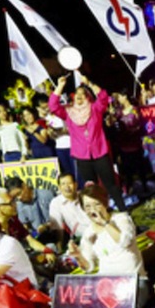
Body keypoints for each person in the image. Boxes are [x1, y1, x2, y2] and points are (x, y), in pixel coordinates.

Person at [49, 74, 127, 212]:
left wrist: (89, 83)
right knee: (91, 188)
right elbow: (53, 106)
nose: (79, 97)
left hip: (99, 153)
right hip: (82, 156)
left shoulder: (95, 109)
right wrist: (60, 86)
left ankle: (123, 211)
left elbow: (103, 96)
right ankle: (100, 213)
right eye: (77, 94)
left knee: (111, 185)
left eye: (83, 94)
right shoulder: (68, 112)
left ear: (88, 97)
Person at [68, 183, 149, 306]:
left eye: (97, 204)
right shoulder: (89, 233)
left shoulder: (122, 219)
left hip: (131, 281)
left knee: (129, 306)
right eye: (88, 206)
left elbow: (125, 241)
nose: (93, 210)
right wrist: (78, 255)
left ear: (105, 202)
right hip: (107, 284)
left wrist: (105, 222)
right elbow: (89, 266)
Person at [3, 177, 56, 245]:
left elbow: (59, 217)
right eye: (15, 197)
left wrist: (46, 226)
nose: (19, 198)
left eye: (19, 193)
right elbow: (25, 226)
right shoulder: (19, 205)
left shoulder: (46, 194)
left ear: (24, 186)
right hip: (39, 240)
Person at [48, 172, 92, 248]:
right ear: (59, 187)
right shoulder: (56, 203)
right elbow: (57, 228)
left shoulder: (84, 196)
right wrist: (60, 249)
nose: (67, 187)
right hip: (83, 239)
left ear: (76, 184)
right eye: (63, 184)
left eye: (69, 183)